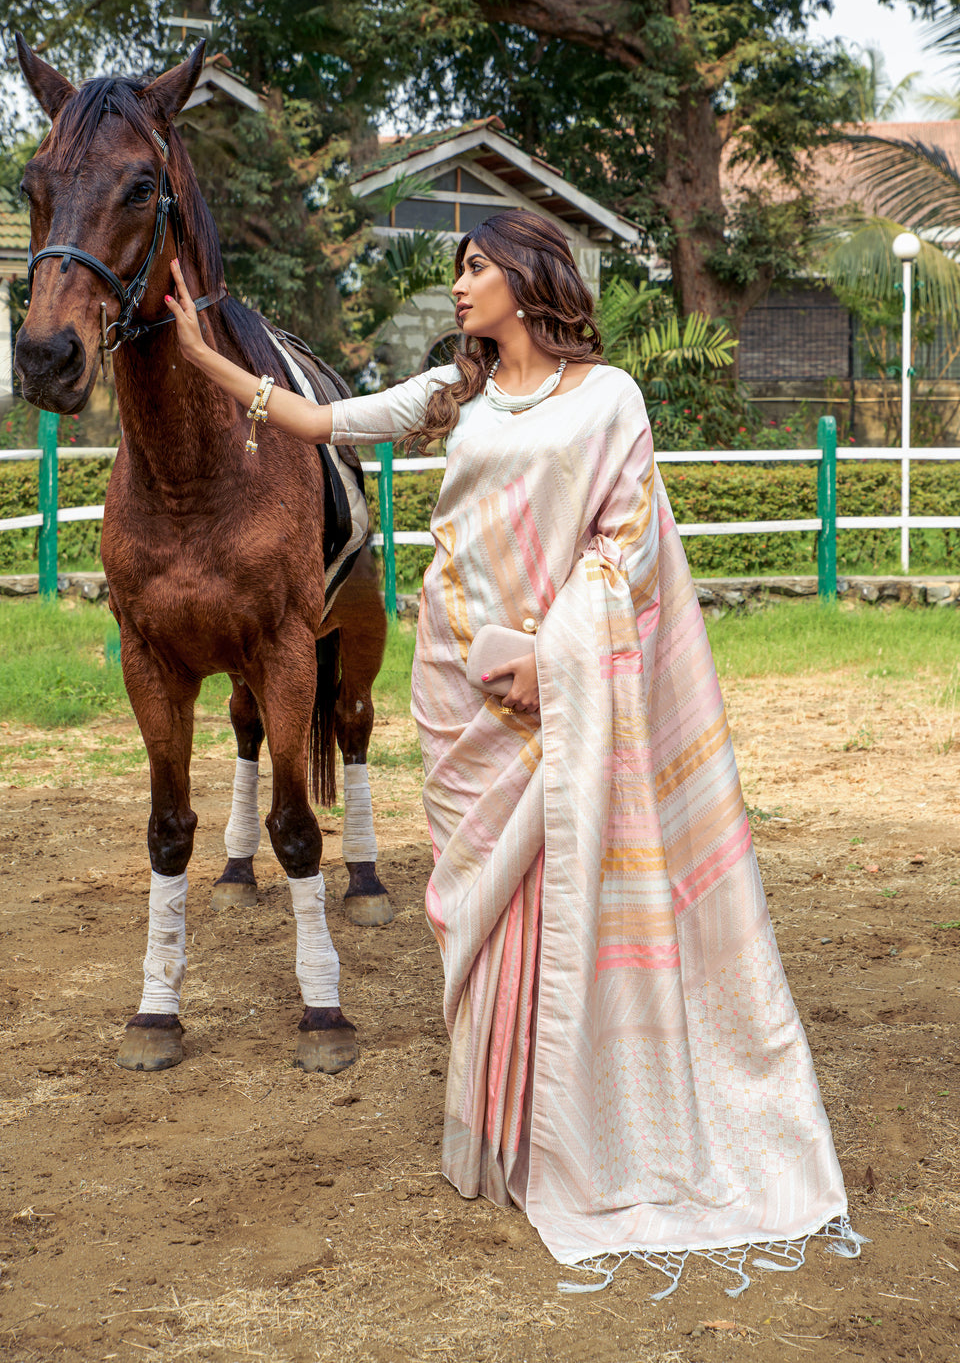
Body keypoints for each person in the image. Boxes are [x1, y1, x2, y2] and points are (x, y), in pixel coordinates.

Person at [166, 211, 862, 1296]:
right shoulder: (456, 401)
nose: (459, 287)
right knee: (478, 910)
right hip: (461, 695)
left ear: (529, 275)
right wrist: (204, 355)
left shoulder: (609, 396)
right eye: (457, 271)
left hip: (563, 685)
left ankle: (572, 1133)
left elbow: (625, 540)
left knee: (559, 889)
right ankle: (501, 1131)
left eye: (476, 266)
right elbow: (315, 416)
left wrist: (555, 654)